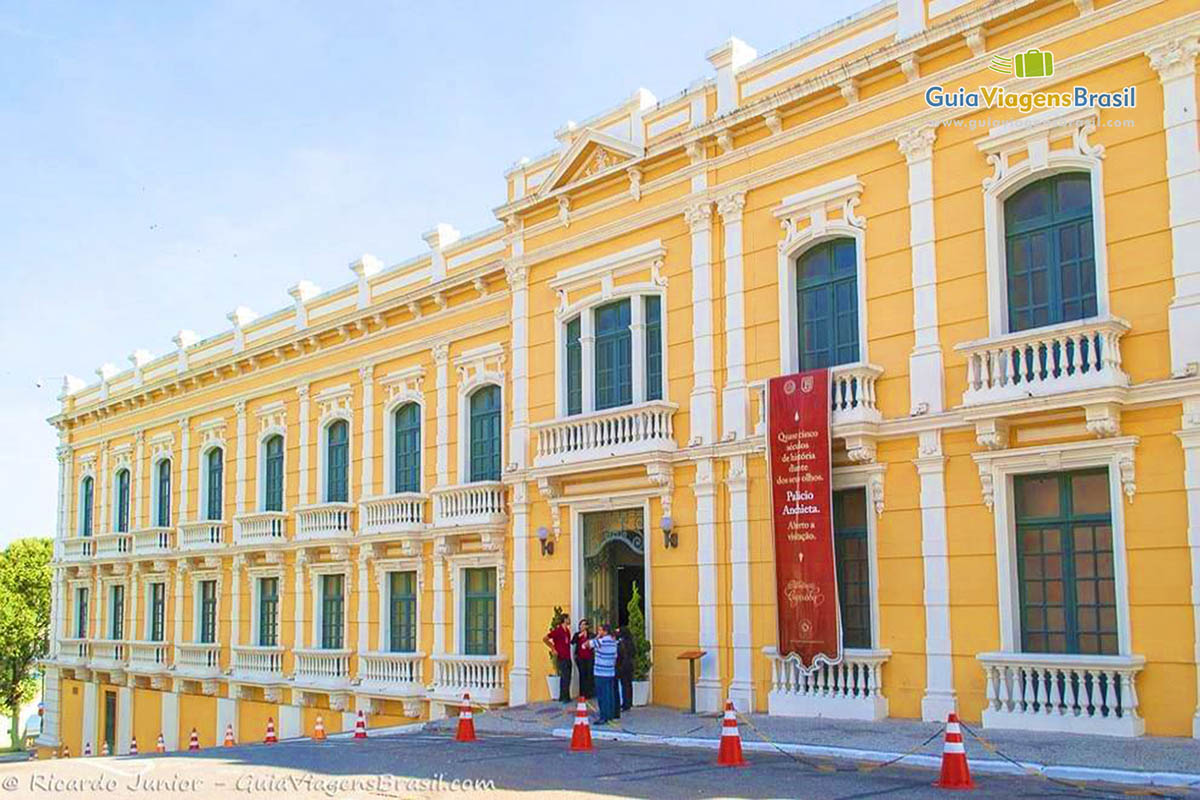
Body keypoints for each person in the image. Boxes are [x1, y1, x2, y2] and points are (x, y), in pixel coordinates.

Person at [591, 623, 619, 724]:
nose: (598, 632)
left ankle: (603, 716)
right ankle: (610, 715)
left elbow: (585, 645)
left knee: (602, 696)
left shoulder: (600, 641)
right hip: (610, 671)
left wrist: (597, 637)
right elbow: (615, 657)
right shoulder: (614, 642)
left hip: (600, 672)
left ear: (605, 631)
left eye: (600, 630)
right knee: (610, 694)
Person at [542, 612, 573, 703]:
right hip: (561, 656)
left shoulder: (567, 631)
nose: (569, 620)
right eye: (568, 618)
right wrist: (553, 648)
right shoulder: (558, 631)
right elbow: (545, 638)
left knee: (568, 676)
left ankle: (565, 696)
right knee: (564, 676)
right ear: (565, 620)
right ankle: (564, 697)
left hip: (567, 655)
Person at [571, 619, 594, 699]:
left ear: (587, 626)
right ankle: (582, 693)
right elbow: (572, 642)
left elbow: (593, 643)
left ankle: (589, 693)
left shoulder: (590, 634)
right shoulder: (577, 634)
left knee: (589, 674)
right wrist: (579, 636)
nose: (582, 626)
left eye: (584, 624)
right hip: (580, 657)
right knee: (582, 674)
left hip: (589, 657)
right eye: (581, 624)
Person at [617, 626, 635, 711]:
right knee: (629, 684)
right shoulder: (631, 642)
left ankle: (625, 704)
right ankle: (629, 702)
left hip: (623, 666)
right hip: (630, 665)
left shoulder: (621, 643)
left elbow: (619, 654)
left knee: (624, 685)